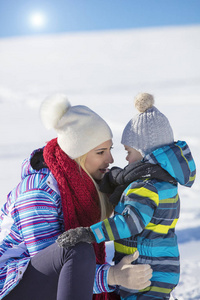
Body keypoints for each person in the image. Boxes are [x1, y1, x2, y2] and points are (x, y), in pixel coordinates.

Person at [0, 94, 153, 300]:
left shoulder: (81, 186)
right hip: (10, 287)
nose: (110, 159)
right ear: (78, 155)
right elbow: (56, 271)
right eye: (100, 152)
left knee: (79, 247)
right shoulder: (38, 194)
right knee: (75, 247)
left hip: (34, 285)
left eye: (110, 149)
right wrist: (112, 276)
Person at [58, 93, 196, 300]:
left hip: (146, 271)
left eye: (128, 151)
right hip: (159, 269)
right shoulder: (164, 182)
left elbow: (130, 222)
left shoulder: (145, 186)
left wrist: (89, 233)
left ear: (144, 153)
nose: (126, 158)